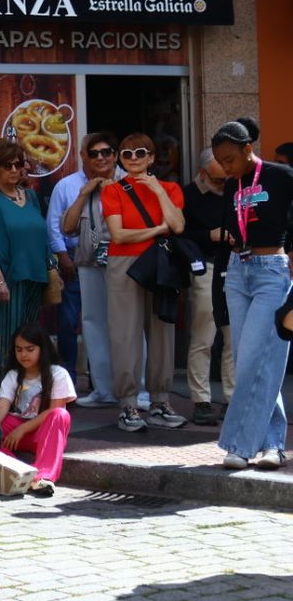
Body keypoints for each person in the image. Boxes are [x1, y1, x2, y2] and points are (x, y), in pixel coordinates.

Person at [210, 118, 293, 470]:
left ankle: (240, 446)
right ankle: (273, 444)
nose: (225, 168)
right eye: (219, 161)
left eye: (229, 159)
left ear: (248, 149)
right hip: (237, 271)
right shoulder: (233, 186)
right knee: (251, 360)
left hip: (272, 270)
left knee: (257, 358)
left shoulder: (281, 175)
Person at [102, 133, 188, 434]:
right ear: (121, 160)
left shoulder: (171, 188)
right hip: (124, 263)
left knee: (162, 331)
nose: (134, 158)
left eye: (141, 153)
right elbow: (119, 235)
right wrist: (158, 229)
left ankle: (160, 401)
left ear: (152, 157)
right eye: (127, 154)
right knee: (124, 334)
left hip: (160, 262)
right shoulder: (112, 190)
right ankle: (127, 404)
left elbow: (178, 226)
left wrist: (158, 192)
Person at [46, 132, 119, 405]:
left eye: (106, 152)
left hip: (121, 259)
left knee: (126, 324)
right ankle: (84, 387)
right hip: (81, 259)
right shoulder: (67, 186)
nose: (100, 158)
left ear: (114, 154)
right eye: (94, 153)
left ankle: (135, 388)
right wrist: (63, 257)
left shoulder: (126, 182)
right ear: (83, 156)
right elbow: (55, 225)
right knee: (82, 323)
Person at [0, 139, 48, 372]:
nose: (15, 170)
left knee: (32, 341)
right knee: (10, 342)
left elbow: (42, 236)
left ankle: (31, 395)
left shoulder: (31, 197)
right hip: (9, 280)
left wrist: (52, 269)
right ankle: (9, 396)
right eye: (8, 166)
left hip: (36, 277)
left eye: (18, 164)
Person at [182, 149, 236, 425]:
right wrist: (209, 235)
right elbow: (178, 233)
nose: (222, 184)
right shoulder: (189, 195)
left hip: (236, 266)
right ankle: (201, 400)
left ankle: (231, 398)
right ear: (203, 174)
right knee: (204, 336)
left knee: (233, 336)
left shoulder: (236, 187)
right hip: (206, 266)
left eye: (226, 178)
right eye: (217, 180)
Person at [0, 323, 76, 498]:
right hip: (16, 433)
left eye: (30, 349)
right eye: (19, 349)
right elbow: (2, 406)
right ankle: (18, 471)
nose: (23, 354)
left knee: (60, 415)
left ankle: (43, 477)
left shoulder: (59, 374)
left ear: (42, 349)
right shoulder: (13, 375)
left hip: (43, 432)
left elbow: (55, 409)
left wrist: (22, 429)